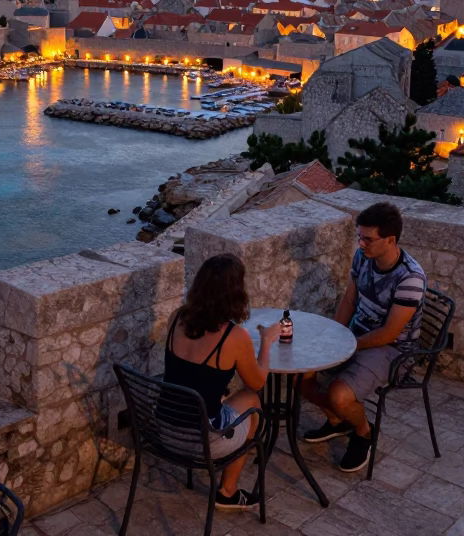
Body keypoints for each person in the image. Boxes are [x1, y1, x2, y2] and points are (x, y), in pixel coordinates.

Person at [300, 201, 428, 472]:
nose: (361, 244)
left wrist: (346, 345)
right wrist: (333, 336)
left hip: (393, 349)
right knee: (301, 375)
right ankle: (337, 421)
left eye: (368, 239)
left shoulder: (410, 278)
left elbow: (389, 333)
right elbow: (349, 299)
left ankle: (363, 432)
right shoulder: (363, 257)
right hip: (356, 334)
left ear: (390, 240)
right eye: (360, 237)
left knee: (338, 395)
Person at [164, 253, 282, 511]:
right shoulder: (234, 336)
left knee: (229, 398)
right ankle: (228, 491)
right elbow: (257, 382)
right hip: (201, 441)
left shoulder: (176, 318)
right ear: (236, 293)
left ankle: (229, 482)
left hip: (163, 431)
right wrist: (266, 341)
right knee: (252, 401)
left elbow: (189, 372)